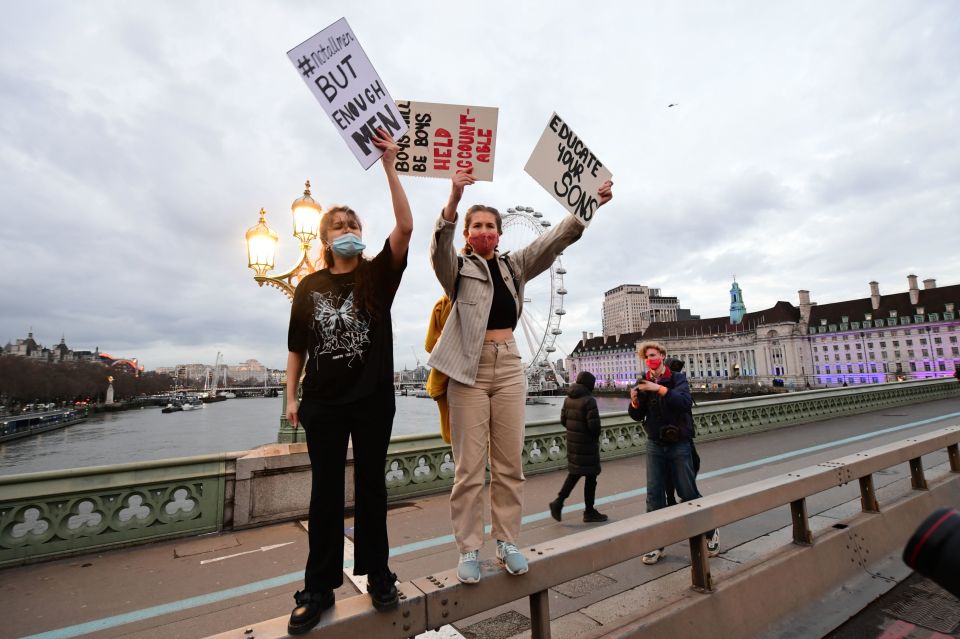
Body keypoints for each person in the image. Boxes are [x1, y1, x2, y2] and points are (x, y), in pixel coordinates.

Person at [430, 168, 613, 583]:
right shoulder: (456, 269)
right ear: (467, 232)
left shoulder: (515, 266)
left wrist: (588, 208)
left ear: (499, 232)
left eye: (491, 226)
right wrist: (454, 199)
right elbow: (438, 249)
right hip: (468, 368)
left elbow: (553, 240)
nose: (485, 232)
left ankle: (508, 541)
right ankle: (469, 548)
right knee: (469, 469)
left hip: (509, 362)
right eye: (477, 226)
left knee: (510, 462)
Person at [284, 128, 412, 634]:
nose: (346, 227)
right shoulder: (309, 286)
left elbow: (405, 226)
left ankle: (379, 574)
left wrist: (390, 166)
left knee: (373, 489)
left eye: (352, 221)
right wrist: (290, 396)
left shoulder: (378, 274)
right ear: (324, 238)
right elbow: (297, 347)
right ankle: (317, 588)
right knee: (324, 495)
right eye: (337, 224)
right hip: (322, 403)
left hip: (374, 399)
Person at [628, 341, 719, 565]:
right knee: (654, 496)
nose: (650, 359)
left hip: (679, 442)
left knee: (687, 492)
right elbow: (637, 416)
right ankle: (656, 544)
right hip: (655, 443)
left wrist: (659, 389)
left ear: (662, 355)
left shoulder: (677, 378)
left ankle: (710, 532)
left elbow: (684, 403)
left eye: (653, 355)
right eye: (647, 356)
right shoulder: (642, 380)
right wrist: (634, 402)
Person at [549, 371, 608, 523]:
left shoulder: (568, 399)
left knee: (574, 474)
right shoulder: (589, 400)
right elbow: (594, 426)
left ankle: (558, 502)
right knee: (591, 478)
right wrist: (594, 435)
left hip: (573, 443)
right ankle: (589, 511)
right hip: (587, 445)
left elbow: (563, 420)